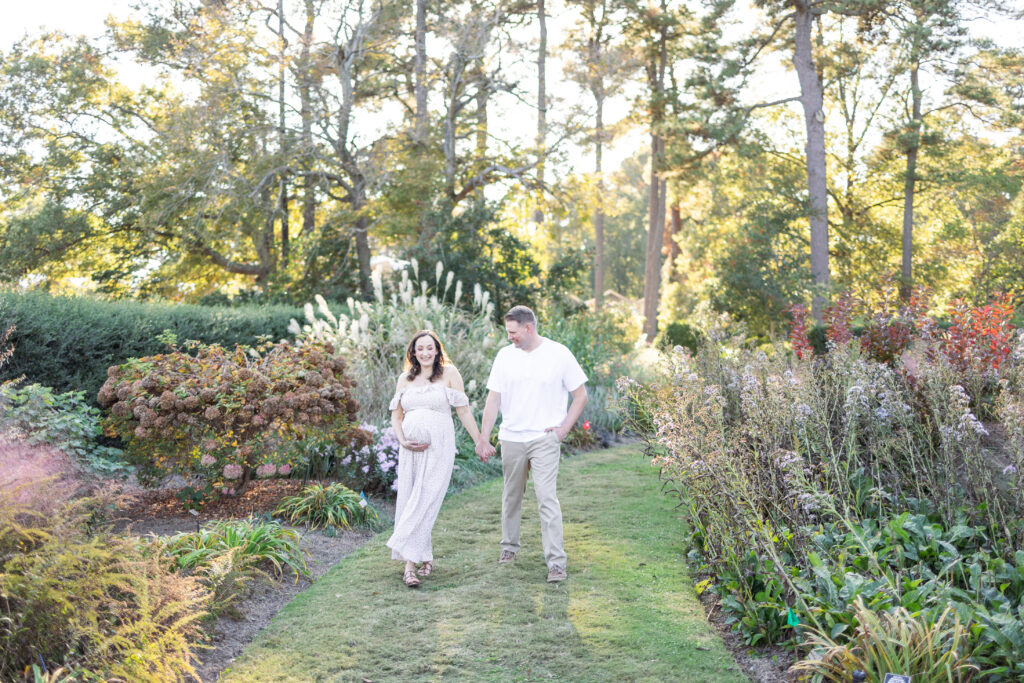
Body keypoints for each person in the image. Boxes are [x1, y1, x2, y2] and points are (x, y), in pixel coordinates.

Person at [476, 306, 588, 583]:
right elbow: (493, 399)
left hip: (544, 438)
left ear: (528, 327)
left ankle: (556, 564)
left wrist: (562, 430)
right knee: (511, 496)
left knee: (547, 499)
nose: (510, 337)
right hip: (511, 438)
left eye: (513, 332)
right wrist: (483, 436)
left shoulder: (558, 354)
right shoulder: (504, 356)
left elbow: (581, 395)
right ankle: (509, 548)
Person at [387, 330, 482, 587]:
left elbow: (463, 411)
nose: (425, 353)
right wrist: (402, 440)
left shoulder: (449, 374)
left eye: (430, 348)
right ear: (413, 353)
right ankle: (423, 555)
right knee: (412, 499)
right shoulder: (404, 379)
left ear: (437, 350)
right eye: (420, 349)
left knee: (426, 499)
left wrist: (479, 440)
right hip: (410, 450)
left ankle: (409, 567)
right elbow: (396, 417)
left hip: (438, 447)